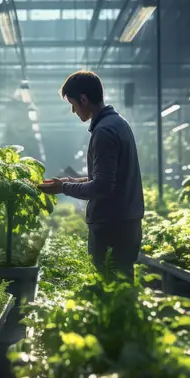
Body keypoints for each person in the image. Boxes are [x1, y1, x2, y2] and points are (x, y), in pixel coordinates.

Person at [42, 70, 144, 282]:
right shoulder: (118, 123)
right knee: (122, 291)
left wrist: (63, 188)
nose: (73, 110)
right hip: (125, 224)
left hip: (111, 227)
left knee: (108, 292)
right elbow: (105, 177)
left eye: (73, 104)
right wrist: (68, 182)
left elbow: (102, 187)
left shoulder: (104, 132)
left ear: (84, 99)